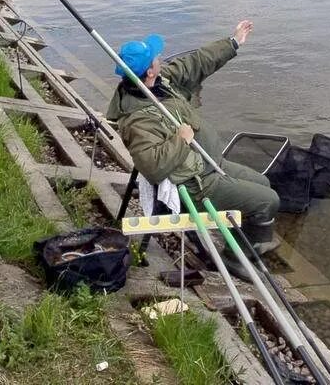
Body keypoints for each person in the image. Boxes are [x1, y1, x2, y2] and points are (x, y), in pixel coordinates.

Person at [106, 21, 280, 281]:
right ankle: (235, 258)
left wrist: (233, 42)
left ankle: (246, 238)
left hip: (207, 162)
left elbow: (196, 61)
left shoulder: (161, 82)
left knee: (263, 182)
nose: (160, 58)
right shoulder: (137, 119)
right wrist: (180, 140)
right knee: (269, 201)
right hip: (195, 183)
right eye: (156, 58)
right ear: (149, 72)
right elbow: (151, 166)